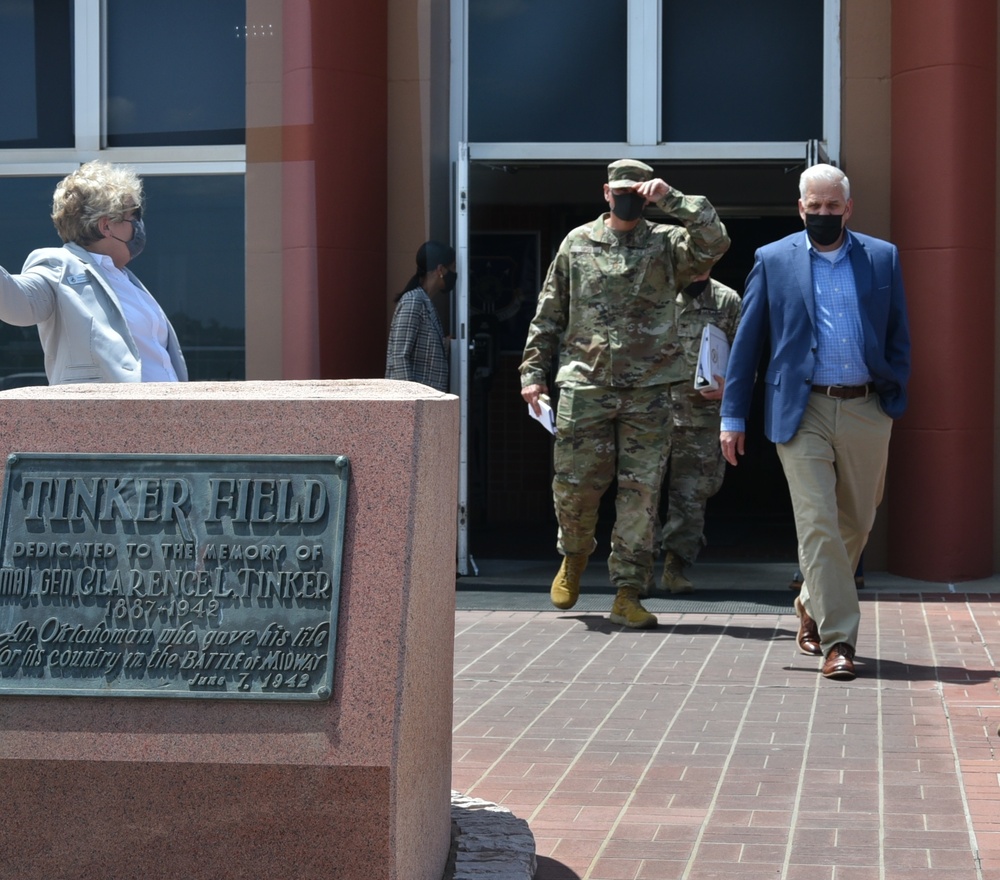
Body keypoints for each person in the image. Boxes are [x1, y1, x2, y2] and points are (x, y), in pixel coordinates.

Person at [720, 163, 910, 681]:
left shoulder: (882, 257)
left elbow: (898, 333)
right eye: (815, 206)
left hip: (867, 406)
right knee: (819, 522)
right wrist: (731, 415)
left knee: (858, 520)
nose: (823, 214)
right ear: (800, 207)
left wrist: (894, 389)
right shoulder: (772, 260)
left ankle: (811, 599)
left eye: (833, 206)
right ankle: (839, 639)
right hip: (800, 412)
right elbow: (747, 344)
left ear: (848, 208)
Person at [521, 159, 730, 629]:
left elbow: (715, 241)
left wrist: (671, 199)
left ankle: (628, 592)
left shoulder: (666, 244)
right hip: (585, 387)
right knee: (575, 487)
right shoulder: (577, 243)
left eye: (637, 190)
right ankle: (574, 558)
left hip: (649, 391)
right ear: (605, 192)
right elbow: (549, 314)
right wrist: (533, 374)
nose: (628, 197)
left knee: (641, 494)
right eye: (622, 190)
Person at [0, 161, 187, 384]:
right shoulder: (60, 265)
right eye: (133, 215)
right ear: (106, 226)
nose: (139, 224)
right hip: (106, 415)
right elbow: (17, 304)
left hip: (166, 414)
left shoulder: (125, 278)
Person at [658, 270, 741, 593]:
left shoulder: (727, 300)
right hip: (650, 413)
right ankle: (633, 573)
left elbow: (743, 357)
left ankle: (675, 566)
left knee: (690, 496)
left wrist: (730, 389)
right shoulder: (653, 290)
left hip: (701, 417)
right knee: (640, 496)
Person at [385, 240, 455, 393]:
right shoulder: (413, 301)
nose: (453, 274)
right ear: (440, 270)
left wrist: (447, 343)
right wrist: (411, 402)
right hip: (413, 406)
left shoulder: (425, 301)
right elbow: (399, 356)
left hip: (426, 405)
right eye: (452, 268)